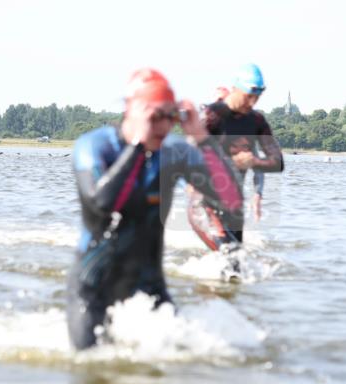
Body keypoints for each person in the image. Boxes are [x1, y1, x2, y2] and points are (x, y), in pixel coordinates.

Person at [67, 68, 244, 349]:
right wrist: (139, 145)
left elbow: (231, 198)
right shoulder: (95, 147)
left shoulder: (174, 152)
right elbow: (102, 204)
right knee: (90, 368)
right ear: (130, 110)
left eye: (170, 116)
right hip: (94, 287)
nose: (163, 126)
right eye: (155, 116)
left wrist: (201, 138)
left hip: (149, 286)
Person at [203, 63, 283, 241]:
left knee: (236, 258)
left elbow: (277, 162)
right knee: (227, 254)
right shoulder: (212, 116)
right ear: (234, 90)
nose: (252, 102)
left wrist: (254, 165)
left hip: (234, 202)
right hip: (208, 197)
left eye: (257, 97)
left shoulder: (256, 121)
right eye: (248, 97)